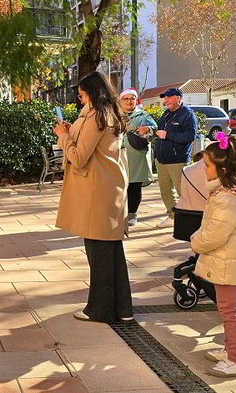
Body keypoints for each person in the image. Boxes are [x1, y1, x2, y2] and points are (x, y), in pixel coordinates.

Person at [54, 72, 132, 323]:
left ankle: (99, 309)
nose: (80, 99)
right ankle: (122, 308)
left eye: (81, 94)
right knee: (111, 251)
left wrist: (63, 136)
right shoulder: (107, 113)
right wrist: (70, 131)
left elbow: (79, 156)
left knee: (98, 253)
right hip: (108, 188)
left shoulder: (96, 115)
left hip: (96, 191)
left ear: (92, 92)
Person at [190, 133, 236, 378]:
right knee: (227, 308)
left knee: (229, 311)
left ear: (221, 168)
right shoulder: (228, 192)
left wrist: (196, 242)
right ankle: (230, 349)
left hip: (229, 263)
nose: (203, 169)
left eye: (207, 165)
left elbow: (215, 233)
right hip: (229, 261)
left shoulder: (227, 198)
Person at [153, 88, 198, 227]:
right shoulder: (166, 114)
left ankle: (192, 219)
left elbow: (190, 136)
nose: (166, 100)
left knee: (183, 192)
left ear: (179, 98)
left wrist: (168, 135)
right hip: (161, 161)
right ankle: (172, 217)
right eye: (165, 98)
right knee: (166, 191)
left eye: (169, 97)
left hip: (177, 161)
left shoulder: (187, 115)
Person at [119, 88, 157, 227]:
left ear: (136, 100)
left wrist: (147, 129)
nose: (129, 101)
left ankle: (132, 214)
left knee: (134, 186)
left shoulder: (143, 115)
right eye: (126, 99)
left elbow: (155, 127)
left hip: (136, 156)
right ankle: (120, 212)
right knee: (119, 186)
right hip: (118, 156)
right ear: (120, 101)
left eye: (132, 98)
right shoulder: (115, 115)